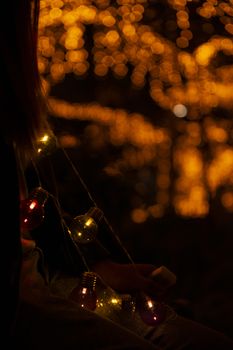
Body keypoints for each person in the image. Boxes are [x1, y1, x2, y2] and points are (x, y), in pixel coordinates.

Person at [1, 1, 233, 349]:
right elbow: (25, 299)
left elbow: (34, 211)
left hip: (56, 285)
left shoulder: (15, 129)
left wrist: (99, 265)